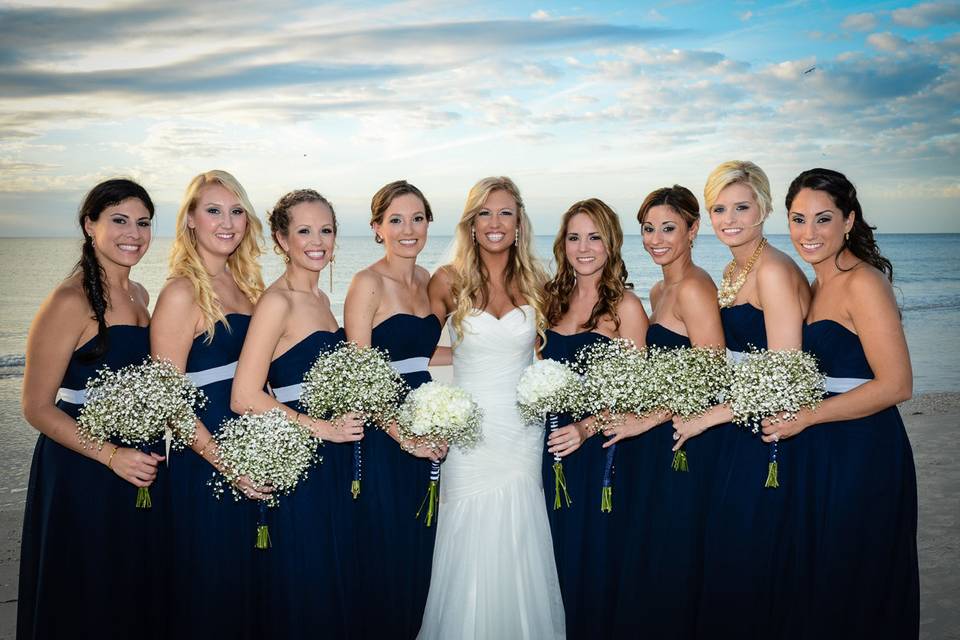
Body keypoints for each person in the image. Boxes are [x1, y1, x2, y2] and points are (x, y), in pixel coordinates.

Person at [764, 168, 918, 638]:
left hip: (863, 450)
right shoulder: (814, 284)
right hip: (821, 447)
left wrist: (808, 416)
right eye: (798, 219)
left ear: (848, 221)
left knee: (856, 580)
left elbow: (897, 384)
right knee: (821, 581)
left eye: (823, 219)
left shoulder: (863, 282)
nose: (808, 233)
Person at [18, 179, 167, 639]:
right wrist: (110, 455)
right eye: (119, 220)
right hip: (85, 466)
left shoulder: (142, 293)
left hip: (140, 459)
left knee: (133, 586)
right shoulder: (70, 300)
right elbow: (36, 407)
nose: (134, 234)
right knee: (88, 589)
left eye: (142, 223)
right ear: (90, 225)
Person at [418, 176, 564, 640]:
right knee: (468, 534)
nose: (495, 223)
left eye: (504, 213)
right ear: (471, 223)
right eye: (484, 213)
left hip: (522, 429)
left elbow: (548, 353)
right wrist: (446, 387)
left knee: (522, 531)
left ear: (519, 221)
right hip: (469, 431)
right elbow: (415, 352)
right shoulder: (447, 281)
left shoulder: (538, 280)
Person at [672, 161, 811, 637]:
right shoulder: (733, 267)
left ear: (765, 209)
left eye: (741, 207)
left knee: (749, 555)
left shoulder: (771, 270)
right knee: (729, 552)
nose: (729, 218)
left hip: (766, 433)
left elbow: (785, 374)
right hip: (737, 429)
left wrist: (706, 418)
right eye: (718, 208)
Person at [230, 189, 364, 638]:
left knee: (337, 571)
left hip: (337, 458)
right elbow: (245, 395)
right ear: (281, 239)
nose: (317, 240)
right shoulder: (277, 302)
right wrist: (322, 429)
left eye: (326, 230)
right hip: (304, 458)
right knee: (306, 577)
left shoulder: (324, 302)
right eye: (304, 230)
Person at [604, 185, 726, 638]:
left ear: (693, 230)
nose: (656, 238)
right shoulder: (659, 288)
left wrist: (649, 418)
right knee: (655, 546)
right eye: (648, 229)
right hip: (659, 434)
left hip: (683, 437)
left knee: (676, 549)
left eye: (668, 228)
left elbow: (713, 371)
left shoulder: (694, 287)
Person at [150, 170, 267, 640]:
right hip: (208, 461)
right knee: (213, 585)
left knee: (254, 581)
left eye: (237, 211)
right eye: (214, 210)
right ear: (191, 221)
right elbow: (169, 401)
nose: (228, 222)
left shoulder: (249, 289)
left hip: (259, 449)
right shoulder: (181, 292)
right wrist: (228, 463)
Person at [539, 198, 647, 639]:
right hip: (549, 446)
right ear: (563, 243)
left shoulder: (626, 307)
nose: (584, 247)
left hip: (600, 449)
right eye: (574, 237)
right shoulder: (548, 300)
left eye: (594, 236)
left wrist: (584, 429)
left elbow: (637, 393)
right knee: (553, 551)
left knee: (595, 553)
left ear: (612, 243)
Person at [343, 180, 446, 640]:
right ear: (377, 228)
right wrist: (403, 435)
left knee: (426, 542)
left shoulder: (428, 280)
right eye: (396, 220)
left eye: (418, 218)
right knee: (389, 544)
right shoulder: (367, 282)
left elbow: (420, 356)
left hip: (428, 417)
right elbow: (359, 374)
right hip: (386, 434)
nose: (409, 229)